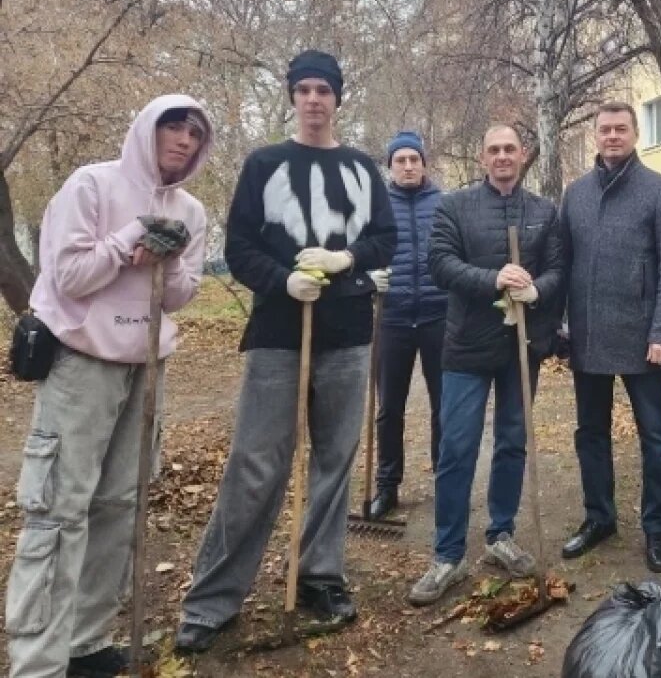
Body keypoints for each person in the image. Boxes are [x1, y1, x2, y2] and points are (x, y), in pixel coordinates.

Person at [176, 51, 397, 651]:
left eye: (324, 89)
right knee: (255, 464)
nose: (314, 99)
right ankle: (213, 600)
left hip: (349, 334)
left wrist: (346, 258)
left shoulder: (359, 168)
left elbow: (386, 237)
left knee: (335, 460)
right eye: (304, 89)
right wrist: (282, 280)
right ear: (292, 97)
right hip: (278, 332)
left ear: (337, 99)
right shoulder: (264, 163)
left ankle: (321, 575)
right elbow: (241, 244)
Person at [5, 96, 212, 678]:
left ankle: (85, 642)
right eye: (174, 126)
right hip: (80, 360)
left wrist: (166, 263)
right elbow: (67, 276)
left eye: (195, 132)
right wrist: (128, 243)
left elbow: (177, 296)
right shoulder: (92, 186)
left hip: (146, 363)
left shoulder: (191, 210)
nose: (184, 140)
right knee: (58, 508)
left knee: (120, 503)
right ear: (148, 128)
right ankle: (38, 661)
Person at [406, 125, 564, 606]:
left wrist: (537, 289)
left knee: (513, 441)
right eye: (493, 149)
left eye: (509, 149)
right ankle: (448, 554)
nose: (502, 156)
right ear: (482, 156)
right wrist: (492, 278)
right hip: (466, 348)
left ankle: (501, 534)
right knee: (457, 448)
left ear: (522, 155)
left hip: (520, 346)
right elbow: (440, 264)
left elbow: (560, 267)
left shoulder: (543, 211)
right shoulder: (454, 206)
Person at [560, 101, 661, 573]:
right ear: (595, 136)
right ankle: (600, 518)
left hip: (644, 339)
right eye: (605, 130)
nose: (612, 136)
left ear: (635, 134)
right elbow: (562, 263)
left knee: (656, 438)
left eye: (621, 129)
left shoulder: (660, 192)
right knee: (590, 433)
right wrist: (561, 327)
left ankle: (658, 529)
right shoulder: (574, 194)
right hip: (589, 336)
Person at [366, 130, 447, 519]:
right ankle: (387, 485)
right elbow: (359, 249)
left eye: (415, 159)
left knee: (444, 405)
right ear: (391, 166)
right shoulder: (375, 206)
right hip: (391, 316)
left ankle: (445, 479)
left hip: (438, 315)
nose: (409, 166)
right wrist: (369, 277)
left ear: (424, 164)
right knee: (389, 407)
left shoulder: (444, 203)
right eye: (401, 160)